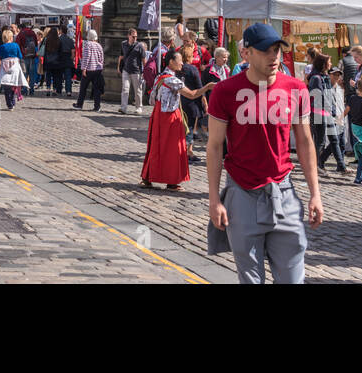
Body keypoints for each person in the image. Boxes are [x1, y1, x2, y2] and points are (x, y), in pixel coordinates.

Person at [207, 23, 322, 284]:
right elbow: (214, 146)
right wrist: (214, 199)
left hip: (284, 191)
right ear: (246, 54)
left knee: (292, 278)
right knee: (251, 279)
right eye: (265, 51)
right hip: (242, 193)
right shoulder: (225, 92)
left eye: (277, 50)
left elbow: (304, 142)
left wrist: (315, 193)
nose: (274, 57)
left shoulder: (296, 89)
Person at [141, 48, 212, 189]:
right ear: (171, 62)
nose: (181, 64)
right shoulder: (173, 80)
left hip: (158, 115)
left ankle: (148, 177)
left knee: (156, 146)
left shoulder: (159, 77)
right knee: (173, 149)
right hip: (170, 116)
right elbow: (192, 94)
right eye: (179, 61)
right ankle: (172, 180)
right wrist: (207, 87)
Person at [307, 52, 345, 174]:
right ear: (323, 64)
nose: (330, 64)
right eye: (329, 62)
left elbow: (328, 96)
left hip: (326, 113)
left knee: (334, 139)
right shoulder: (316, 78)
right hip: (318, 113)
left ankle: (341, 166)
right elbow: (318, 97)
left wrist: (332, 112)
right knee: (320, 141)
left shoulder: (325, 77)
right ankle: (316, 165)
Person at [73, 29, 106, 111]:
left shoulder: (88, 45)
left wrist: (83, 68)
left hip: (89, 70)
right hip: (97, 70)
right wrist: (100, 66)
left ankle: (80, 104)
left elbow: (86, 58)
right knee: (96, 89)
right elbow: (101, 58)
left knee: (83, 88)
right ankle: (97, 106)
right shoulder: (99, 46)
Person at [0, 26, 25, 110]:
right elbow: (20, 55)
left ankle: (9, 104)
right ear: (11, 37)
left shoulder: (2, 47)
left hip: (5, 66)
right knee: (13, 85)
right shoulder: (15, 45)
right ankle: (13, 101)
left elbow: (1, 57)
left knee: (6, 86)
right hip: (14, 66)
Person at [118, 29, 145, 114]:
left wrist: (144, 71)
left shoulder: (139, 46)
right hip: (126, 70)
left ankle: (139, 107)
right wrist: (118, 67)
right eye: (133, 36)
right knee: (125, 89)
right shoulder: (123, 44)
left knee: (137, 90)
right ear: (128, 36)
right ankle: (123, 108)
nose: (135, 38)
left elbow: (144, 59)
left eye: (136, 36)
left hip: (136, 71)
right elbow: (121, 56)